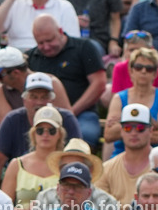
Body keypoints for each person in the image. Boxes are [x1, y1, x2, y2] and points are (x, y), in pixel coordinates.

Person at [26, 13, 107, 147]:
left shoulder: (84, 47)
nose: (46, 47)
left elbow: (99, 83)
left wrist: (70, 113)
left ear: (60, 31)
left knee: (84, 136)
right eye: (40, 43)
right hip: (42, 117)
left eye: (50, 40)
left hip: (82, 113)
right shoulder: (31, 57)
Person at [1, 105, 67, 210]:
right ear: (33, 134)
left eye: (51, 130)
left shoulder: (66, 166)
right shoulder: (16, 165)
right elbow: (3, 206)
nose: (45, 135)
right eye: (40, 130)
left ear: (59, 134)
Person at [96, 103, 152, 206]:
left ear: (150, 130)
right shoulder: (107, 168)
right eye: (127, 128)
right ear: (121, 131)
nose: (134, 132)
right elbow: (98, 209)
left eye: (140, 128)